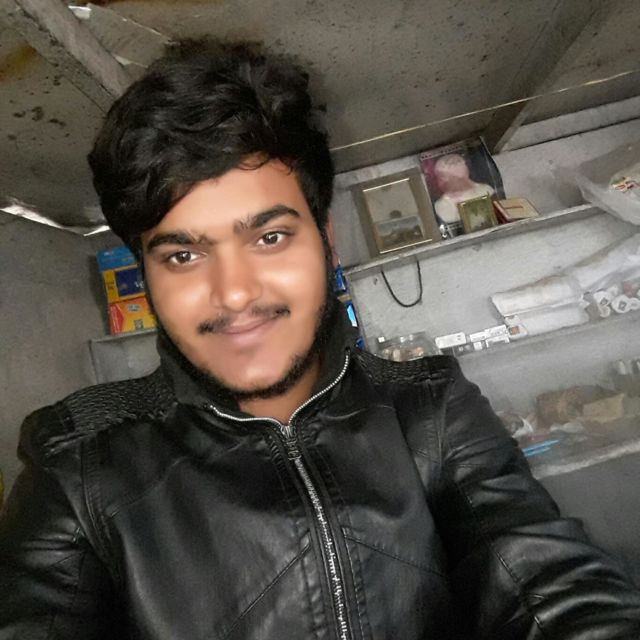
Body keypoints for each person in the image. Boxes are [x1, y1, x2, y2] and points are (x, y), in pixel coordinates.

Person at [1, 39, 640, 640]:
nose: (234, 294)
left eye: (270, 237)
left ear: (327, 242)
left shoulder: (431, 408)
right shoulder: (79, 464)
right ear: (146, 277)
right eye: (183, 256)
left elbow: (550, 585)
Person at [433, 153, 494, 231]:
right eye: (439, 177)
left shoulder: (485, 190)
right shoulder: (441, 206)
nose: (441, 182)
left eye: (442, 177)